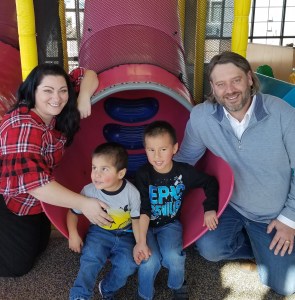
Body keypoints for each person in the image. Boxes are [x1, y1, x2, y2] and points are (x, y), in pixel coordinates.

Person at [174, 51, 295, 296]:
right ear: (213, 87)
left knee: (286, 285)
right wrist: (151, 186)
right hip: (231, 204)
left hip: (273, 212)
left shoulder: (282, 113)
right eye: (221, 84)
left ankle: (268, 250)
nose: (229, 90)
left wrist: (289, 219)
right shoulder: (201, 117)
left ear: (250, 78)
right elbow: (185, 160)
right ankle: (259, 249)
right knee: (209, 248)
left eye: (236, 80)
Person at [0, 63, 112, 277]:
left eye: (63, 91)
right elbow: (34, 184)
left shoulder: (54, 109)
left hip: (37, 201)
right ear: (33, 91)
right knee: (16, 266)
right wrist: (84, 203)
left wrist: (84, 96)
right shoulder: (22, 127)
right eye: (48, 91)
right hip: (12, 200)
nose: (57, 98)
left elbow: (87, 74)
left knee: (40, 245)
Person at [133, 120, 219, 300]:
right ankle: (144, 294)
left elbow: (210, 182)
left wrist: (209, 208)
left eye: (163, 149)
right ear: (145, 149)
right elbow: (143, 209)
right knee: (149, 261)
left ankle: (177, 285)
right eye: (151, 150)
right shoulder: (142, 175)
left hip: (170, 224)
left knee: (174, 257)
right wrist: (141, 241)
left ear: (174, 148)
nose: (157, 156)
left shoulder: (184, 172)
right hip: (145, 225)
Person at [68, 142, 141, 300]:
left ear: (120, 174)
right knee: (91, 258)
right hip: (99, 232)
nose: (96, 174)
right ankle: (80, 295)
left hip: (126, 234)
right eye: (94, 167)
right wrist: (73, 234)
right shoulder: (89, 191)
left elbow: (136, 220)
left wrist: (139, 242)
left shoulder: (132, 193)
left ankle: (107, 288)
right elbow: (72, 213)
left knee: (128, 265)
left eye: (104, 169)